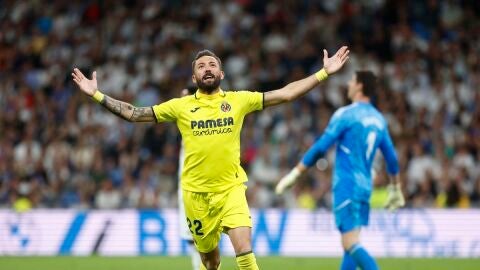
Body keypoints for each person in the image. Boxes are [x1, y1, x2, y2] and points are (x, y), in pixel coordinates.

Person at [71, 46, 349, 270]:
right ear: (194, 78)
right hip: (196, 196)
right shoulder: (181, 106)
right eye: (201, 66)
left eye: (212, 65)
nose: (207, 69)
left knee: (244, 250)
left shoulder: (239, 100)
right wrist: (96, 94)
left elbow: (286, 93)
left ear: (222, 74)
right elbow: (134, 114)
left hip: (230, 190)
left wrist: (323, 73)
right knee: (210, 262)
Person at [275, 71, 405, 270]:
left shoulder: (346, 114)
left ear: (360, 86)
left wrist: (296, 172)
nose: (348, 84)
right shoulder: (379, 119)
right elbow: (392, 159)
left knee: (350, 243)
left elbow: (321, 147)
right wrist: (395, 188)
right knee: (349, 245)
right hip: (364, 188)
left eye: (352, 80)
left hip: (347, 184)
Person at [178, 86, 202, 270]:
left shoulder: (202, 123)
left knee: (202, 237)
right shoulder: (183, 122)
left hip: (201, 184)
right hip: (185, 185)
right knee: (190, 236)